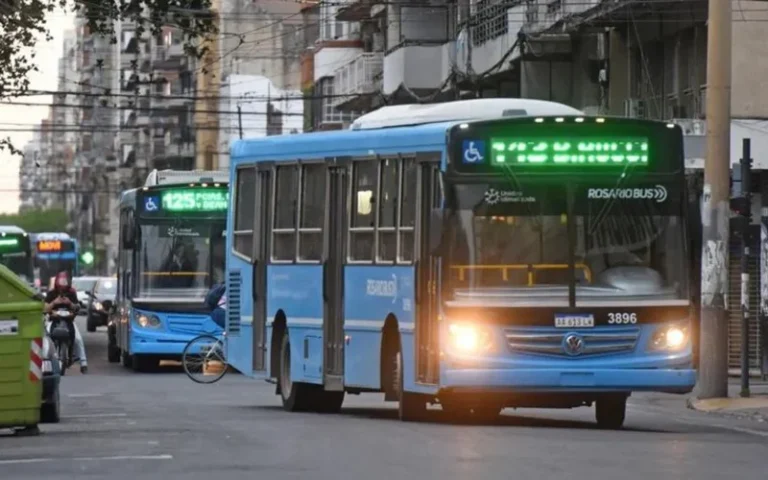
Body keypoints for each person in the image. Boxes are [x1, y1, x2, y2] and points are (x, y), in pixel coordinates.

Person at [44, 271, 88, 374]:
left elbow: (77, 307)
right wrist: (55, 303)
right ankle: (46, 360)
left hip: (68, 320)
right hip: (54, 320)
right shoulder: (51, 293)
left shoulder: (72, 293)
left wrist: (69, 303)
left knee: (78, 339)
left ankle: (83, 363)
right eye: (60, 288)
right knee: (47, 337)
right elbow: (45, 308)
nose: (62, 291)